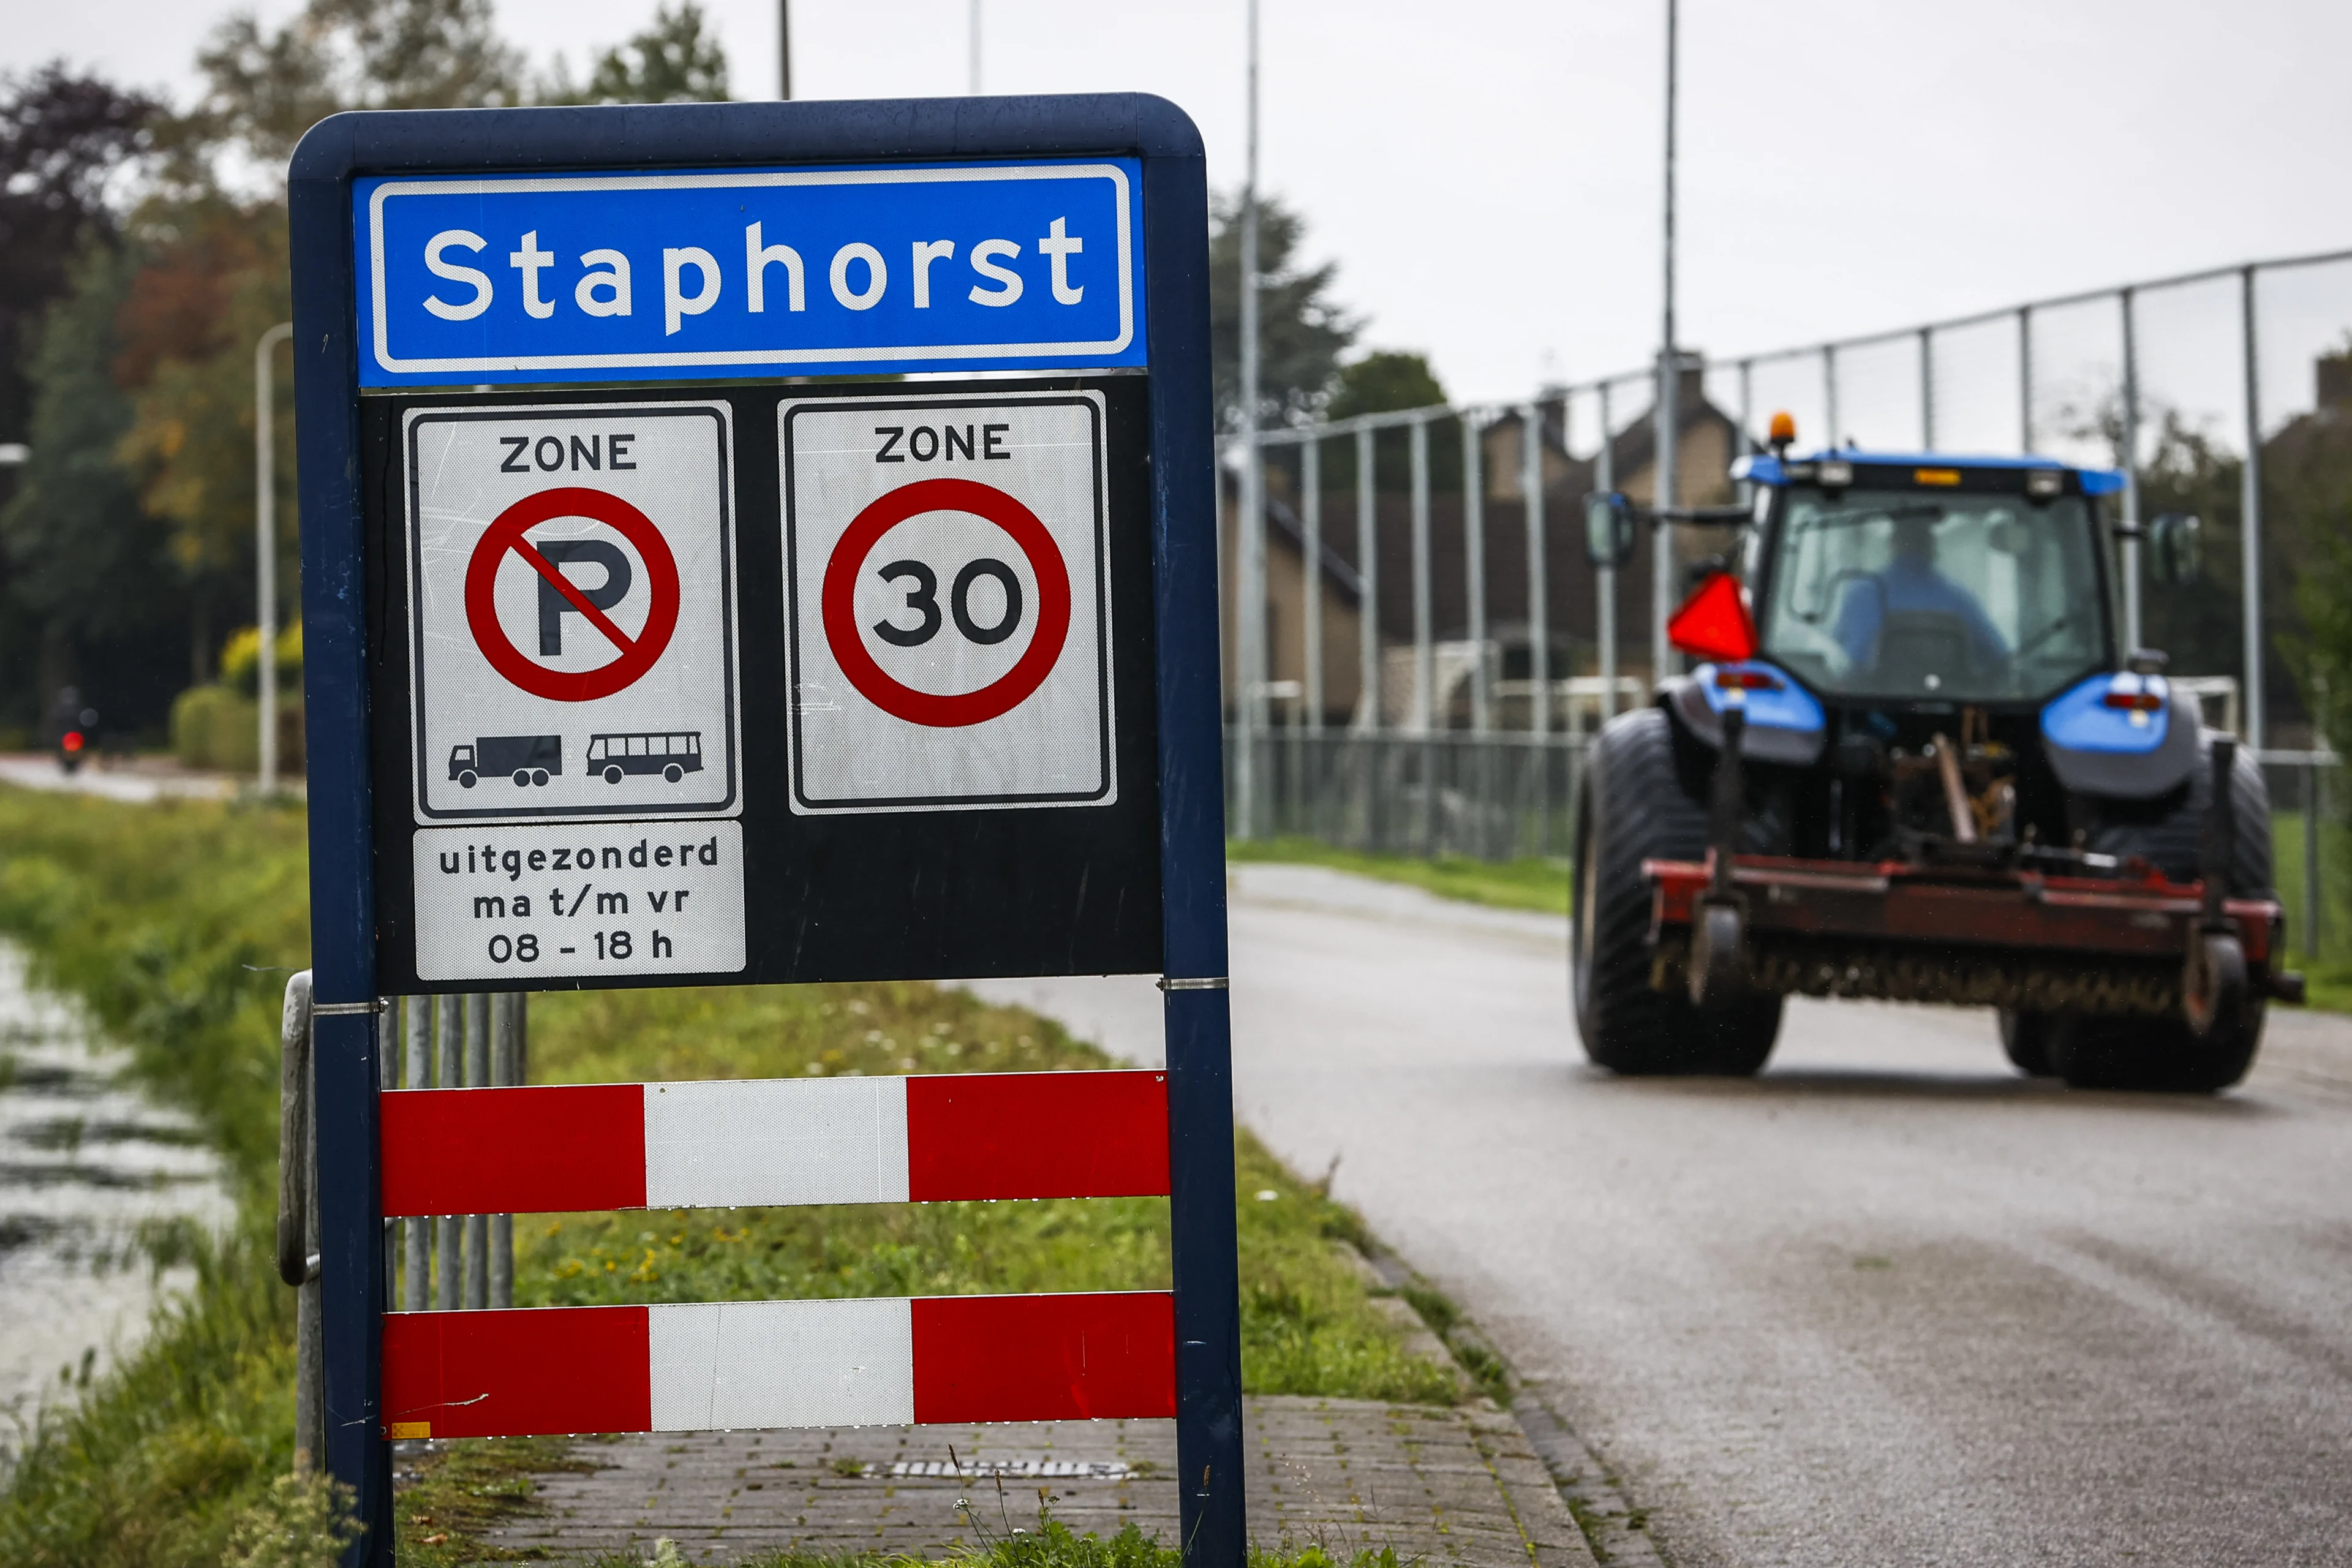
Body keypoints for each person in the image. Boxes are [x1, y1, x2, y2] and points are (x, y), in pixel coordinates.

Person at [1832, 513, 2008, 674]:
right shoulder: (1960, 599)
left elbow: (1839, 658)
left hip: (1868, 699)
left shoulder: (1860, 595)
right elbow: (2000, 658)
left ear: (1892, 543)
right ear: (1931, 545)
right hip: (1947, 697)